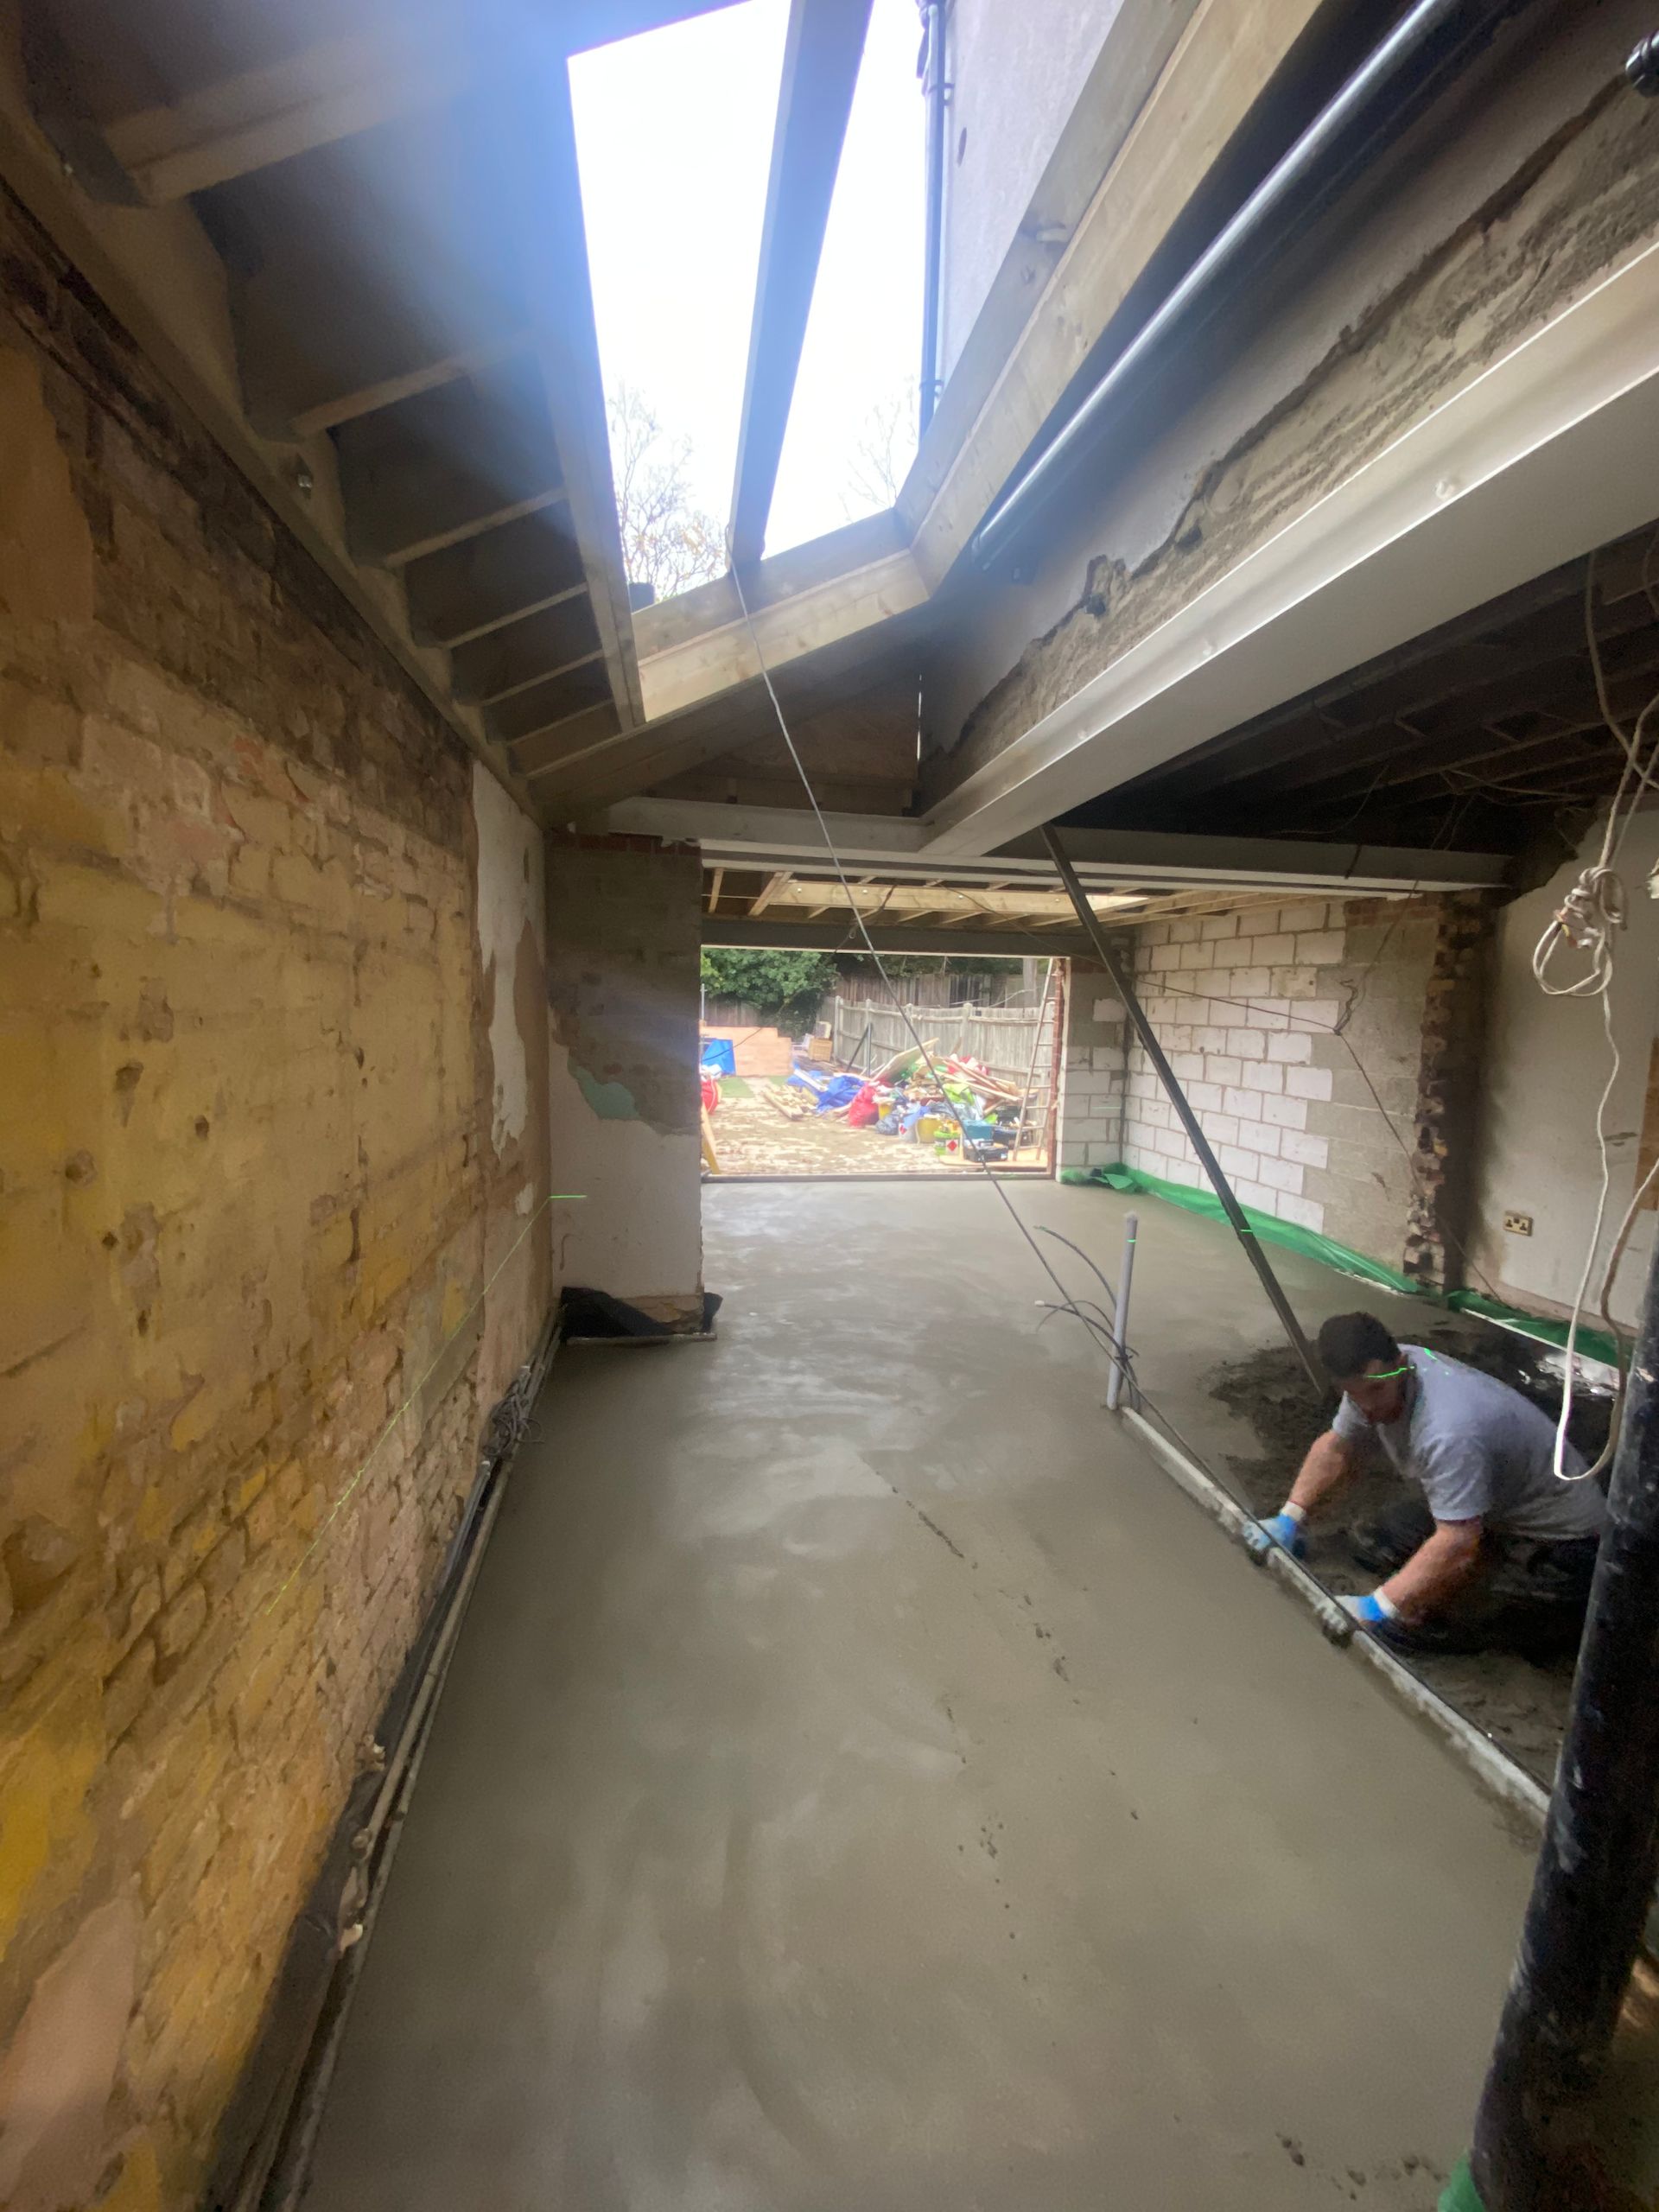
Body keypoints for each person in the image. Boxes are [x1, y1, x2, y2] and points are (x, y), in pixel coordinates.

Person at [1249, 1311, 1605, 1656]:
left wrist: (1376, 1607)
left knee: (1409, 1626)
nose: (1368, 1407)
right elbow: (1338, 1446)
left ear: (1401, 1363)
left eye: (1376, 1391)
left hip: (1564, 1544)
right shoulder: (1378, 1373)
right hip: (1496, 1508)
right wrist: (1289, 1518)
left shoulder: (1450, 1429)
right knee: (1372, 1543)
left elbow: (1459, 1541)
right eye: (1356, 1395)